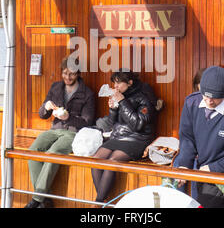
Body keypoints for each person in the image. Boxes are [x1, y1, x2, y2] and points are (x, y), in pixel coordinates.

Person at [173, 66, 224, 208]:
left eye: (215, 98)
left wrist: (213, 168)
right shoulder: (191, 103)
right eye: (205, 95)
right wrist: (184, 165)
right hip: (201, 169)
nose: (209, 101)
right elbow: (187, 137)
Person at [25, 57, 96, 208]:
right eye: (65, 73)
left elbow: (87, 121)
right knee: (32, 151)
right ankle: (45, 199)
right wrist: (46, 107)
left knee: (53, 152)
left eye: (72, 74)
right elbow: (42, 115)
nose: (67, 77)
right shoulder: (55, 87)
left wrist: (69, 117)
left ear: (78, 74)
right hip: (54, 129)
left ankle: (37, 200)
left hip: (73, 133)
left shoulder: (87, 93)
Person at [91, 69, 157, 204]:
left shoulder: (144, 99)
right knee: (96, 159)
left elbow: (138, 124)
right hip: (118, 136)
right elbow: (112, 122)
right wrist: (113, 109)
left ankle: (98, 203)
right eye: (114, 83)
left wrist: (122, 102)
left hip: (137, 139)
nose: (115, 87)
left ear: (130, 83)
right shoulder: (119, 96)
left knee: (112, 161)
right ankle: (104, 202)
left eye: (118, 83)